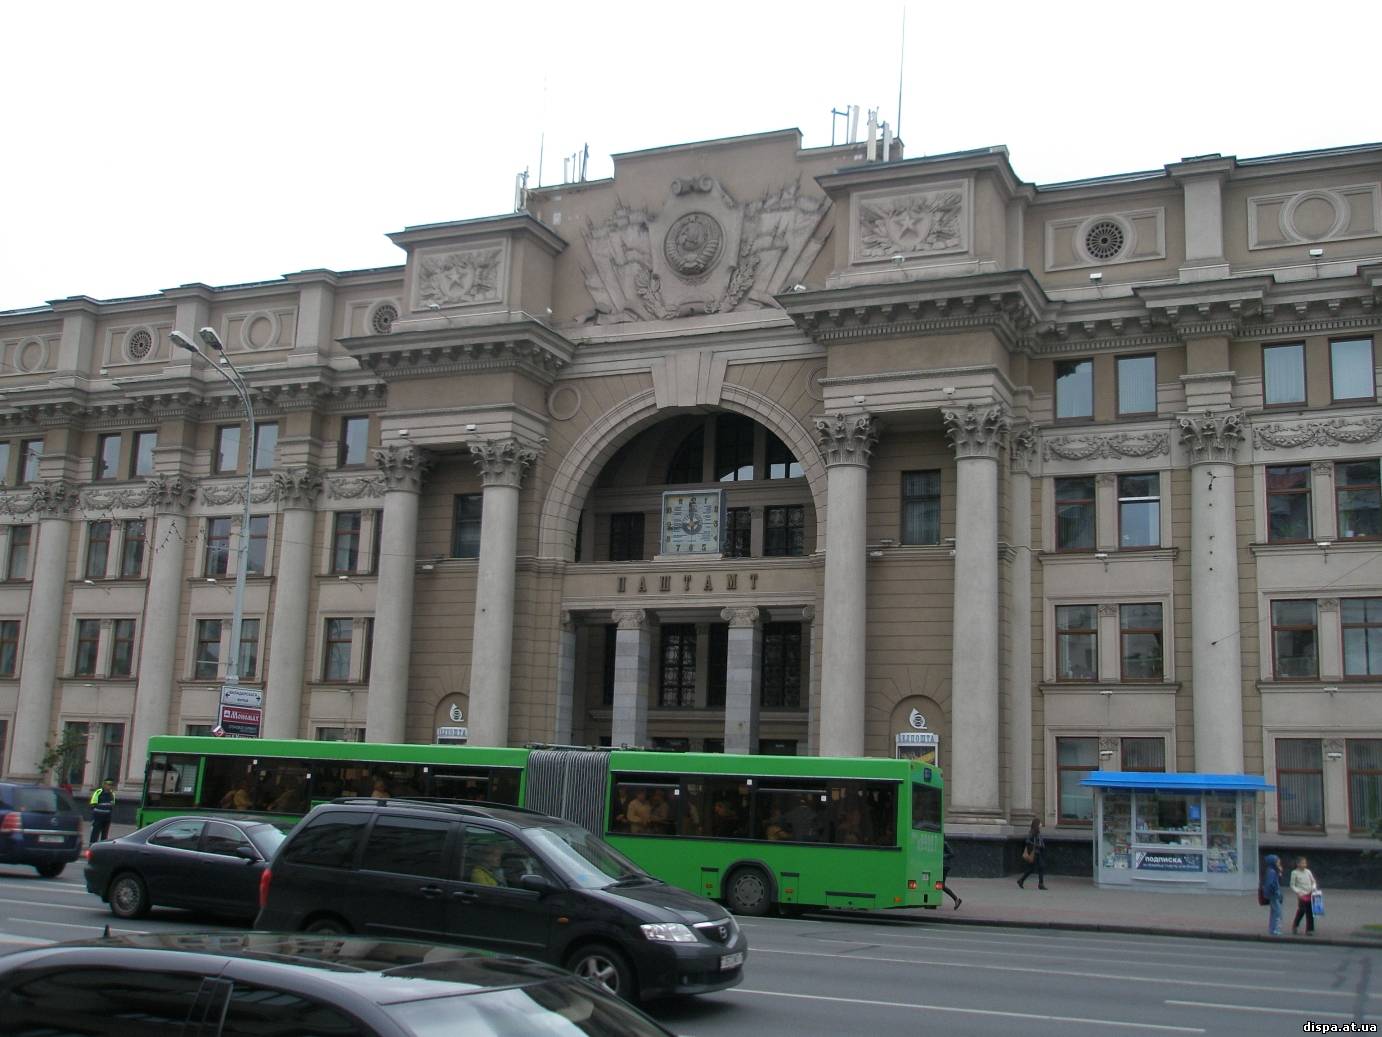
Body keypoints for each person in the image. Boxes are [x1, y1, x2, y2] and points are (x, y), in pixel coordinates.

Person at [1289, 856, 1318, 936]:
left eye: (1305, 863)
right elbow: (1292, 885)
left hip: (1310, 894)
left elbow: (1313, 881)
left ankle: (1309, 930)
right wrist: (1298, 892)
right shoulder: (1294, 873)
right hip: (1301, 895)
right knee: (1302, 910)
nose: (1304, 864)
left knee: (1310, 912)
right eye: (1302, 863)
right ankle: (1295, 925)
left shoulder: (1308, 871)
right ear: (1298, 864)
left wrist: (1314, 888)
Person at [1017, 819, 1047, 889]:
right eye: (1040, 823)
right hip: (1034, 853)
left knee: (1040, 867)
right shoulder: (1033, 832)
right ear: (1037, 824)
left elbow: (1040, 841)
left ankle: (1040, 884)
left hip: (1038, 852)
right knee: (1034, 868)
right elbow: (1027, 840)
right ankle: (1022, 880)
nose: (1041, 824)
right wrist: (1036, 845)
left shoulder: (1038, 832)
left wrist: (1041, 846)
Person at [1262, 853, 1284, 936]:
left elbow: (1278, 881)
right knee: (1277, 912)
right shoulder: (1272, 872)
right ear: (1273, 862)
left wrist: (1280, 872)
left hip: (1274, 894)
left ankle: (1272, 929)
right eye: (1277, 862)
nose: (1279, 864)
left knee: (1274, 911)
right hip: (1274, 895)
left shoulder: (1273, 871)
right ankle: (1275, 929)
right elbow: (1271, 884)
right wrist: (1275, 891)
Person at [940, 838, 962, 910]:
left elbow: (952, 854)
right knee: (939, 885)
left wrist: (942, 856)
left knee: (941, 885)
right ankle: (956, 899)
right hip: (941, 866)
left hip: (944, 866)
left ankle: (956, 899)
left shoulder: (944, 843)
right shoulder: (938, 843)